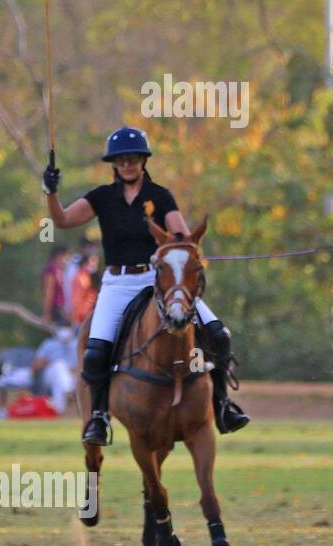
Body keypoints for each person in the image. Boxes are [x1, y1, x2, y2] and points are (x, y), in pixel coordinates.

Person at [42, 126, 250, 444]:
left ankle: (222, 404)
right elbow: (64, 220)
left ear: (143, 161)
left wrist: (184, 252)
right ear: (114, 163)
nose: (128, 164)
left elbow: (180, 235)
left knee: (219, 334)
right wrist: (51, 193)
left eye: (134, 159)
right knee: (96, 353)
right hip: (118, 283)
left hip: (159, 282)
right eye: (122, 159)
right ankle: (98, 417)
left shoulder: (160, 196)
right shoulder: (102, 197)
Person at [31, 319, 79, 414]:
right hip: (50, 375)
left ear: (72, 330)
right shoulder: (49, 344)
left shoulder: (77, 344)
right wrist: (50, 363)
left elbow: (83, 365)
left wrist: (70, 370)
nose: (65, 331)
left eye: (67, 328)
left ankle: (58, 410)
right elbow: (35, 366)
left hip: (73, 376)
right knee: (59, 366)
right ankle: (67, 390)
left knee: (60, 381)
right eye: (62, 328)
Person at [69, 248, 100, 327]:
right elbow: (76, 302)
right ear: (85, 263)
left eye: (96, 261)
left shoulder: (90, 277)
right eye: (93, 261)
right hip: (82, 321)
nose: (95, 264)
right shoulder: (80, 278)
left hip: (89, 318)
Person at [41, 245, 70, 325]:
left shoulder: (59, 270)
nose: (66, 260)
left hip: (61, 309)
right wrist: (47, 313)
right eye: (65, 257)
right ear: (59, 256)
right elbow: (49, 292)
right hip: (54, 309)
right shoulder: (51, 270)